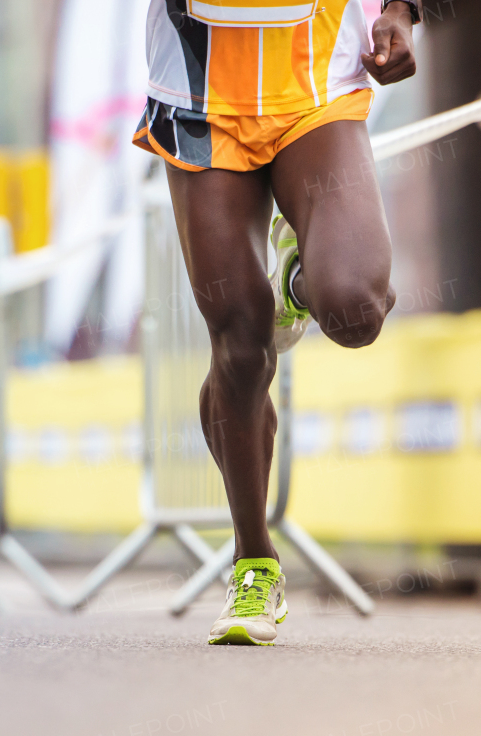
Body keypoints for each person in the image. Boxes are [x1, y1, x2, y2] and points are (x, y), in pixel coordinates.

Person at [132, 0, 420, 645]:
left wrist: (401, 12)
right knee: (239, 343)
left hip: (315, 77)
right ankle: (254, 563)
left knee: (353, 309)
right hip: (197, 91)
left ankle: (300, 278)